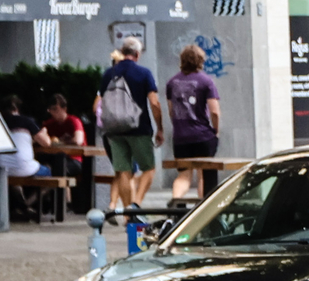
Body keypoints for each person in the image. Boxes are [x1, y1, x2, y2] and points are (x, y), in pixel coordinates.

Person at [94, 38, 163, 213]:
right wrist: (159, 127)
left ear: (123, 52)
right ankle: (136, 204)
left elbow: (97, 104)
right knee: (149, 169)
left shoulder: (108, 73)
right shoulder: (144, 73)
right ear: (137, 54)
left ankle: (127, 213)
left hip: (114, 131)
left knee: (123, 171)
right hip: (139, 128)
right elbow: (154, 103)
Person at [165, 45, 221, 202]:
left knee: (183, 174)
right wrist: (215, 130)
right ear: (200, 61)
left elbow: (172, 111)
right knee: (204, 173)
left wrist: (179, 127)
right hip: (203, 136)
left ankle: (176, 202)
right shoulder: (206, 82)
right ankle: (203, 210)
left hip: (181, 137)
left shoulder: (172, 83)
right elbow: (214, 111)